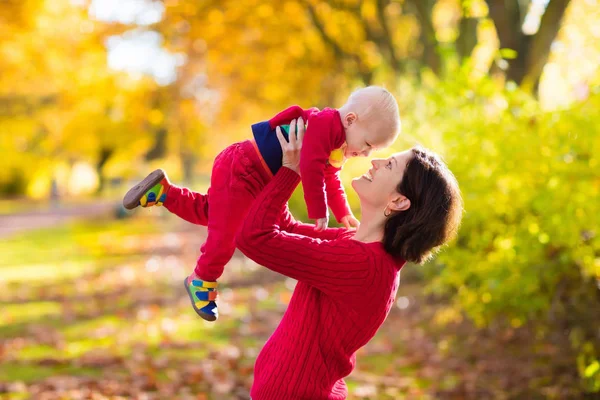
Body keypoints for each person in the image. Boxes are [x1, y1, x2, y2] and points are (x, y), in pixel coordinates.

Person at [122, 87, 401, 322]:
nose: (364, 154)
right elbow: (311, 169)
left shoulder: (336, 138)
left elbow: (331, 178)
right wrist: (319, 213)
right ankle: (202, 279)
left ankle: (164, 193)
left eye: (371, 151)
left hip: (260, 178)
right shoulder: (324, 126)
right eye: (366, 144)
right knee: (225, 234)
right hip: (242, 169)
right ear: (351, 120)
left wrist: (344, 214)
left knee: (213, 213)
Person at [236, 120, 463, 400]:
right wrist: (296, 162)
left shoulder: (364, 264)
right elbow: (285, 229)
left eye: (389, 165)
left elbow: (255, 238)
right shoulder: (356, 244)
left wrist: (291, 171)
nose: (376, 162)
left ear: (398, 202)